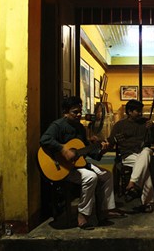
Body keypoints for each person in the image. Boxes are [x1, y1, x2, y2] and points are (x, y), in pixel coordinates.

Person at [40, 96, 124, 229]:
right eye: (75, 112)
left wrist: (102, 150)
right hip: (61, 167)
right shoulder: (57, 125)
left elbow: (88, 151)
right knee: (91, 177)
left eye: (80, 111)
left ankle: (106, 210)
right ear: (65, 112)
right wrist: (63, 150)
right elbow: (44, 140)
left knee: (107, 175)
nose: (79, 114)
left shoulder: (79, 128)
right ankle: (83, 216)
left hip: (79, 165)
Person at [107, 99, 154, 213]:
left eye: (141, 111)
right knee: (145, 171)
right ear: (129, 112)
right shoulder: (120, 125)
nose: (140, 113)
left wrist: (153, 128)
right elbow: (111, 141)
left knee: (146, 152)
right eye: (137, 111)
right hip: (128, 155)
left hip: (143, 152)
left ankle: (133, 182)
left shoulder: (146, 123)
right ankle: (147, 203)